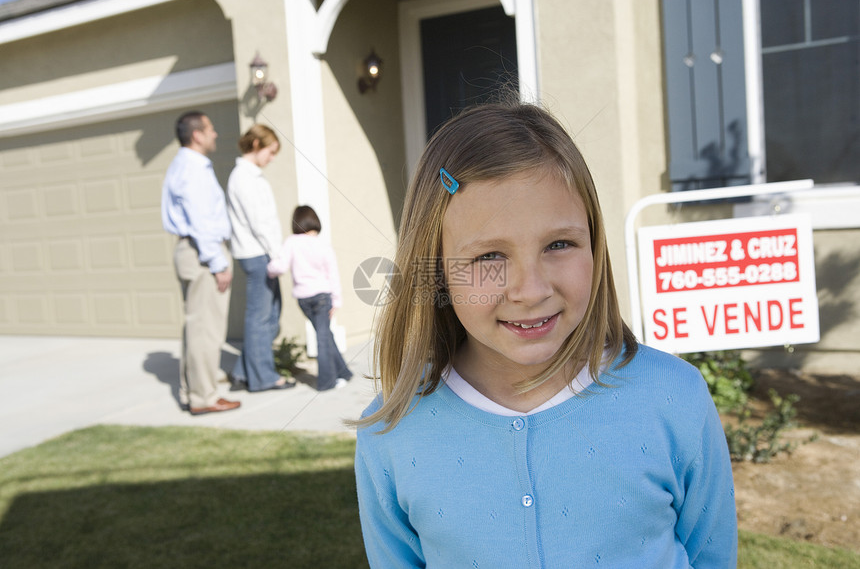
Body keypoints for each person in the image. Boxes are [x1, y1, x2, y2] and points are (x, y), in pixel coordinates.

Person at [352, 103, 737, 567]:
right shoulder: (391, 432)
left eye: (559, 244)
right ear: (436, 271)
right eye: (489, 256)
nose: (530, 290)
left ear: (594, 243)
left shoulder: (675, 398)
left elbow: (712, 555)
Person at [161, 110, 240, 416]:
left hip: (195, 251)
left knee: (197, 327)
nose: (215, 134)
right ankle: (204, 397)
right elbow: (201, 221)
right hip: (202, 252)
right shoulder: (192, 168)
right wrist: (218, 262)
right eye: (210, 129)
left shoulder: (184, 165)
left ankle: (192, 392)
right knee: (206, 329)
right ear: (197, 134)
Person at [226, 124, 294, 392]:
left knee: (270, 316)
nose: (272, 157)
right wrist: (278, 254)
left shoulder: (252, 176)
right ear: (256, 145)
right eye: (271, 151)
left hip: (262, 254)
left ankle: (242, 373)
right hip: (258, 255)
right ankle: (264, 378)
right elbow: (259, 222)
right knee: (260, 318)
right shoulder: (243, 178)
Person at [267, 206, 353, 391]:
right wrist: (337, 301)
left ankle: (344, 372)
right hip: (323, 297)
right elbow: (333, 275)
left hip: (303, 300)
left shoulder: (291, 242)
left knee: (324, 335)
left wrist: (268, 268)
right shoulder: (323, 245)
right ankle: (327, 383)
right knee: (323, 337)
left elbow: (279, 267)